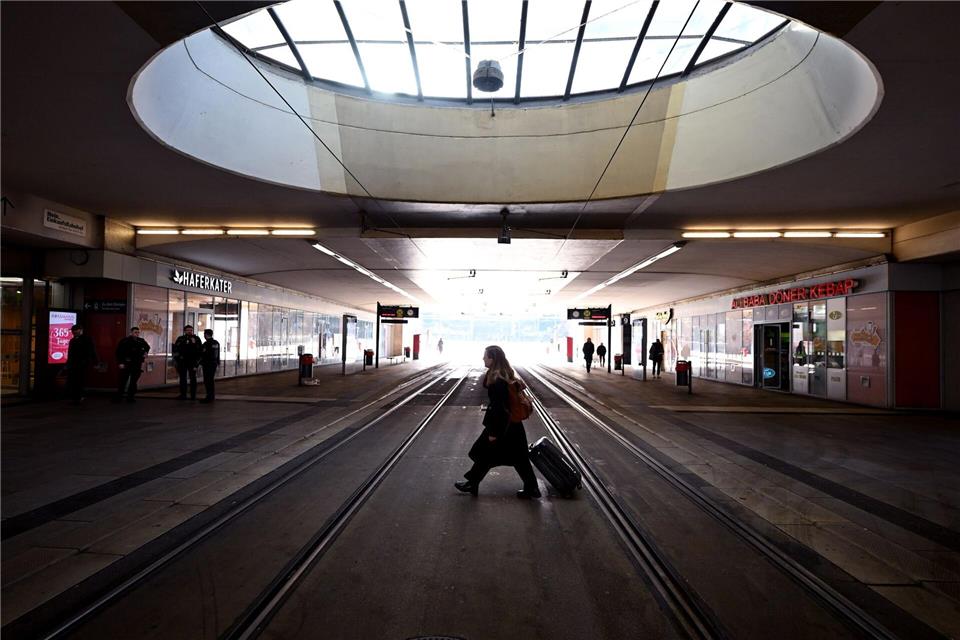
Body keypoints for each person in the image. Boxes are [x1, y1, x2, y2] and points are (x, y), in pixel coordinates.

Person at [455, 345, 540, 499]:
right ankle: (473, 483)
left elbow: (499, 408)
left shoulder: (497, 381)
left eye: (485, 356)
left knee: (487, 453)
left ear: (492, 359)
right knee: (515, 457)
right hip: (512, 424)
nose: (483, 358)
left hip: (503, 426)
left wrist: (494, 431)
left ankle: (473, 483)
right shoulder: (505, 375)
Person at [115, 326, 150, 403]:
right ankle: (119, 397)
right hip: (127, 363)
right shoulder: (125, 341)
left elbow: (147, 347)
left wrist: (145, 352)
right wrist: (121, 362)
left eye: (138, 332)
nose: (137, 334)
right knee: (123, 381)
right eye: (135, 332)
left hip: (137, 364)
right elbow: (119, 352)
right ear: (131, 333)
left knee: (133, 382)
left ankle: (130, 397)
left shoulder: (141, 341)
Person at [66, 324, 98, 404]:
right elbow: (70, 353)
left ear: (80, 330)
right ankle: (76, 397)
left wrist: (95, 362)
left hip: (82, 364)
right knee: (74, 380)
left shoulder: (87, 339)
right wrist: (68, 363)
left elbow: (92, 351)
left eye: (75, 330)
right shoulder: (72, 340)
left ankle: (78, 397)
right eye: (73, 330)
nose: (73, 332)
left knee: (80, 380)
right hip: (74, 364)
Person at [173, 325, 203, 400]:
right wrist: (177, 360)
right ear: (185, 331)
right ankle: (183, 394)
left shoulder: (196, 339)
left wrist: (194, 343)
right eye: (188, 330)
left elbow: (200, 350)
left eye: (191, 330)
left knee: (193, 378)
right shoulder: (181, 339)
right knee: (183, 378)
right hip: (182, 361)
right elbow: (176, 349)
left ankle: (193, 395)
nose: (189, 331)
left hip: (192, 362)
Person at [199, 329, 220, 403]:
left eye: (204, 334)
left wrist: (200, 363)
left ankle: (209, 397)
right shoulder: (216, 343)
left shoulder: (206, 343)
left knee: (207, 381)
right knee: (210, 380)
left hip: (207, 364)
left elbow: (204, 354)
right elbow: (217, 354)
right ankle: (211, 396)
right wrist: (217, 363)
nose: (204, 335)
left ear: (206, 335)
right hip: (213, 364)